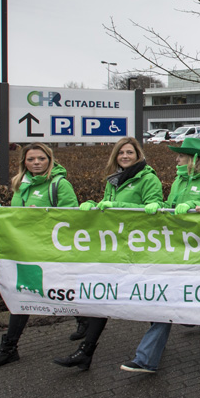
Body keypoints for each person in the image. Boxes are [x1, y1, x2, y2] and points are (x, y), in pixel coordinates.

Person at [121, 137, 200, 374]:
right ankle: (146, 359)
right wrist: (156, 206)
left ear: (195, 159)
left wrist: (196, 207)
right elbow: (171, 209)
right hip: (175, 252)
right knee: (165, 301)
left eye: (181, 155)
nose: (177, 159)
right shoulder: (178, 181)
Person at [55, 137, 163, 371]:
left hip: (140, 249)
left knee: (152, 301)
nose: (125, 156)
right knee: (102, 298)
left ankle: (155, 348)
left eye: (129, 153)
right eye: (120, 153)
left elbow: (154, 208)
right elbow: (107, 207)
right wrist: (95, 205)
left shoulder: (148, 178)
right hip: (116, 248)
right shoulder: (113, 180)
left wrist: (120, 208)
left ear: (138, 156)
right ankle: (86, 351)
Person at [0, 143, 79, 370]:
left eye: (41, 158)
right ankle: (9, 348)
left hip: (52, 254)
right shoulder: (20, 185)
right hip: (27, 253)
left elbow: (73, 219)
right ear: (24, 162)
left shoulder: (60, 184)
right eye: (31, 159)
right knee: (24, 295)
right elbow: (18, 216)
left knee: (59, 290)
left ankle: (85, 324)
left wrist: (41, 216)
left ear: (49, 160)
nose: (36, 163)